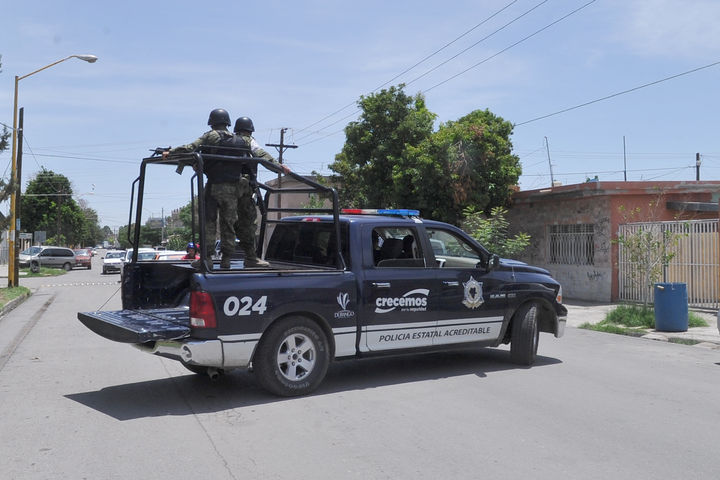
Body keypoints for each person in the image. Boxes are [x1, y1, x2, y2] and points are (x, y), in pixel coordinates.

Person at [163, 108, 241, 269]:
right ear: (227, 122)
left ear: (212, 122)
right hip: (233, 190)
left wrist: (170, 152)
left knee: (209, 223)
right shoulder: (239, 140)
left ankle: (207, 258)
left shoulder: (210, 136)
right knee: (228, 224)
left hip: (214, 187)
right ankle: (226, 259)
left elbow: (190, 148)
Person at [232, 116, 291, 268]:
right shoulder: (248, 141)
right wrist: (279, 167)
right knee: (249, 224)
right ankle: (250, 257)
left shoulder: (227, 142)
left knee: (227, 223)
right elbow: (261, 155)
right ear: (250, 130)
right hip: (244, 190)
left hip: (225, 189)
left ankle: (222, 259)